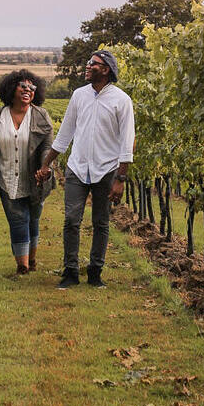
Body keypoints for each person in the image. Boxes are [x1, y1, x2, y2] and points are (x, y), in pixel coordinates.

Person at [36, 50, 134, 289]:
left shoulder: (121, 100)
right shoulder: (79, 95)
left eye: (94, 64)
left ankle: (95, 272)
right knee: (71, 220)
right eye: (88, 62)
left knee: (101, 222)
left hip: (106, 169)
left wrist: (120, 178)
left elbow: (127, 141)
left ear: (106, 69)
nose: (88, 66)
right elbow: (65, 133)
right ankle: (70, 271)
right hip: (77, 168)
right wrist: (46, 164)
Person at [0, 70, 55, 274]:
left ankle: (31, 260)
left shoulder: (41, 115)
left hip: (35, 179)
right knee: (17, 219)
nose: (27, 90)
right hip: (6, 176)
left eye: (32, 88)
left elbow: (47, 147)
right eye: (23, 86)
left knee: (33, 218)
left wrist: (45, 167)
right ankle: (22, 266)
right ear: (11, 88)